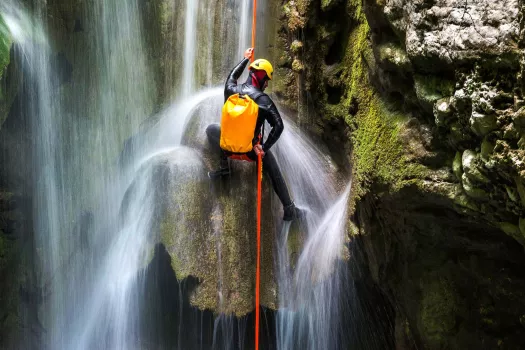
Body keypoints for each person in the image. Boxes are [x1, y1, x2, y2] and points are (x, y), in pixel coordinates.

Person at [206, 48, 302, 221]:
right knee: (273, 167)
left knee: (210, 130)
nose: (267, 84)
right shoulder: (263, 100)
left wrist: (245, 60)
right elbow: (279, 126)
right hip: (250, 152)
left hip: (227, 149)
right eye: (267, 79)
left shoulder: (230, 90)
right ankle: (289, 208)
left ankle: (224, 168)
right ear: (260, 76)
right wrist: (263, 147)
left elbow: (232, 76)